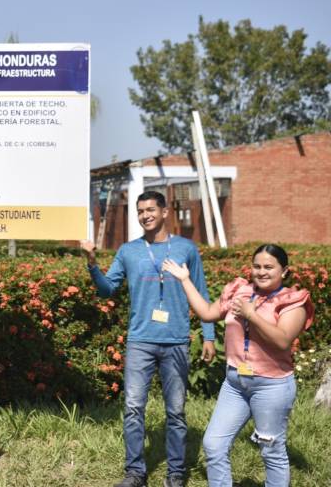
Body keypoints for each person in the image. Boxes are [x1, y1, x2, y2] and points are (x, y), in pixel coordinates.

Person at [81, 191, 216, 487]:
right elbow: (107, 290)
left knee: (176, 411)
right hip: (140, 340)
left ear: (165, 212)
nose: (145, 215)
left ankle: (176, 473)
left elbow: (202, 292)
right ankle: (135, 472)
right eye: (140, 211)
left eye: (151, 209)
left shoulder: (186, 248)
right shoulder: (129, 251)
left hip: (176, 340)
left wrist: (208, 335)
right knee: (132, 408)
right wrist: (92, 263)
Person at [162, 244, 313, 486]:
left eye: (269, 267)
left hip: (271, 386)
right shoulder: (240, 291)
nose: (261, 272)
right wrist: (185, 280)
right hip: (235, 383)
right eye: (257, 266)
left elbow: (283, 340)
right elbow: (208, 313)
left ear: (284, 271)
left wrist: (251, 315)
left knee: (271, 451)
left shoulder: (292, 301)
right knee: (214, 444)